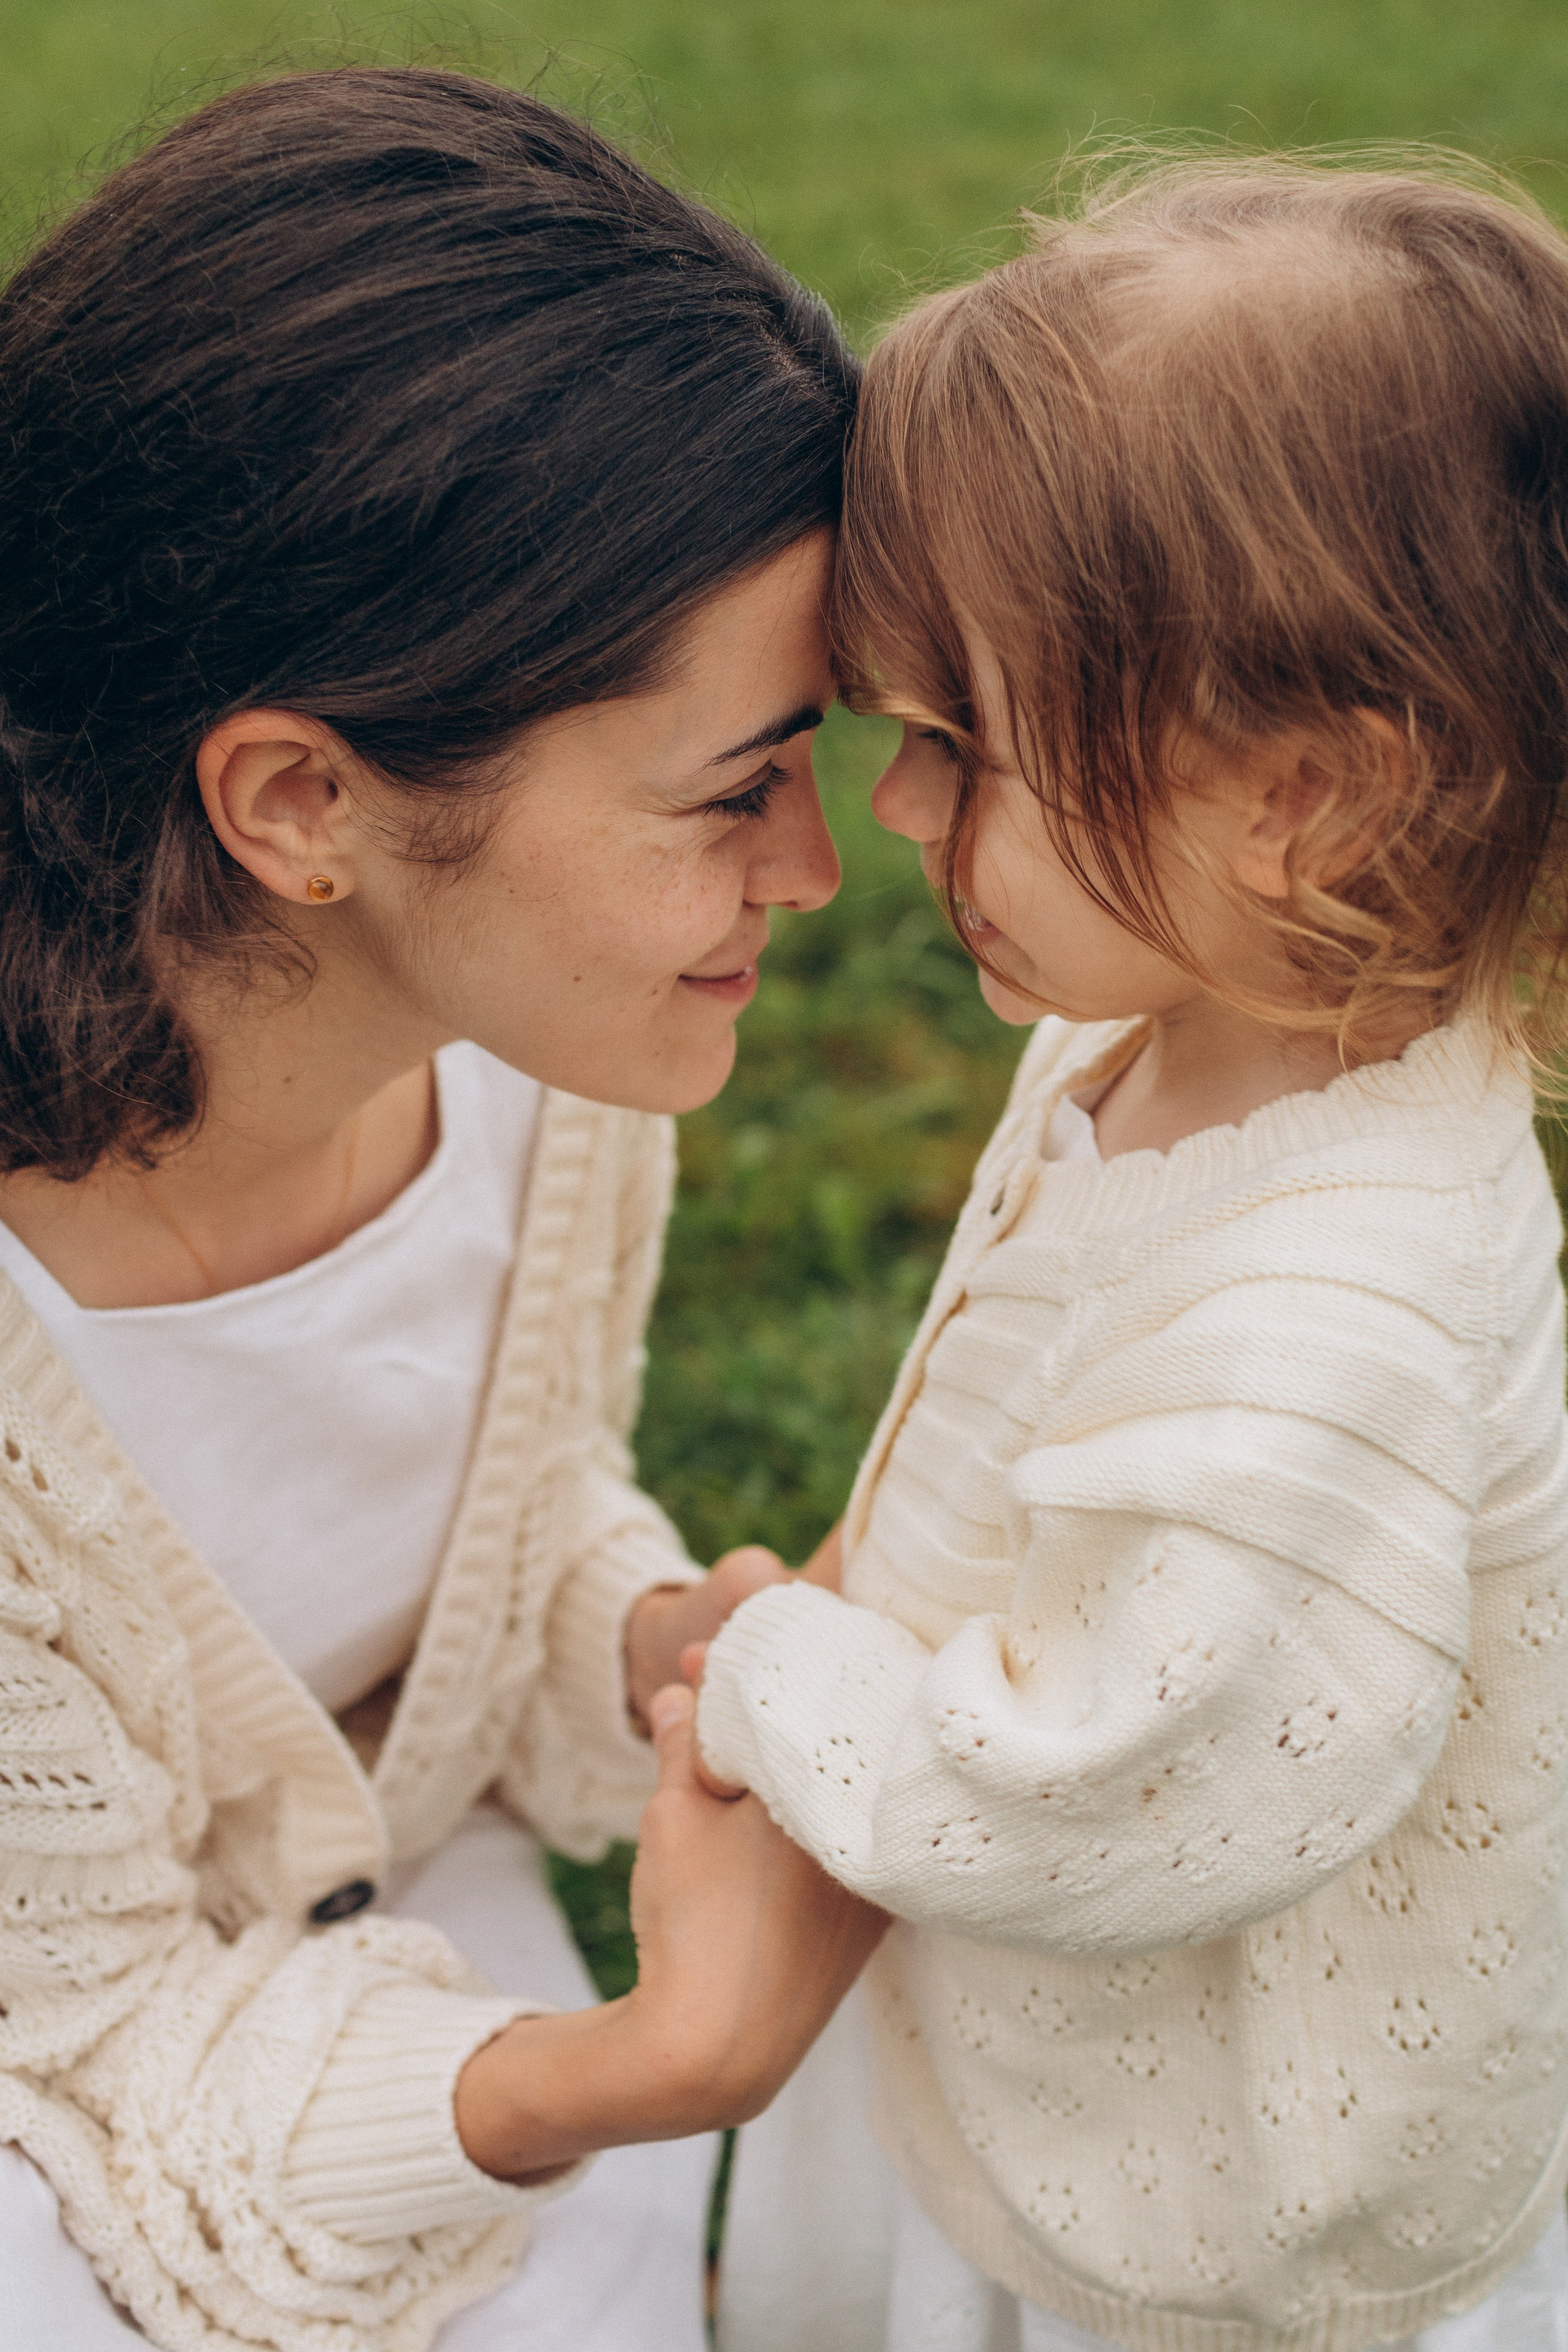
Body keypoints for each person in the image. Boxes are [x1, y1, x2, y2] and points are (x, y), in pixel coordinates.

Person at [0, 64, 885, 2352]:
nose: (809, 871)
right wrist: (651, 2060)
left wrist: (645, 1638)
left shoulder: (541, 1077)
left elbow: (460, 1495)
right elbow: (89, 2032)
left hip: (344, 1931)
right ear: (305, 799)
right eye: (735, 789)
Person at [696, 157, 1568, 2352]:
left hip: (1203, 2186)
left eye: (967, 746)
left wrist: (766, 1668)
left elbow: (1098, 1801)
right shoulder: (1160, 1023)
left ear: (1317, 800)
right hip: (1048, 2029)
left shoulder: (1330, 1315)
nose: (900, 812)